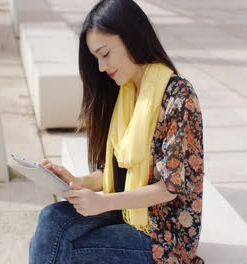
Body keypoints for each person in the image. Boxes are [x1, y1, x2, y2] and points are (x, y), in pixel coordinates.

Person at [29, 0, 204, 263]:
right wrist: (77, 180)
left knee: (66, 250)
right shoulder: (124, 92)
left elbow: (171, 187)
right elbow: (118, 171)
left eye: (105, 54)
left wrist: (103, 203)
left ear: (130, 36)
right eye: (96, 58)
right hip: (125, 211)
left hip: (163, 234)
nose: (101, 67)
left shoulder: (179, 97)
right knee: (50, 219)